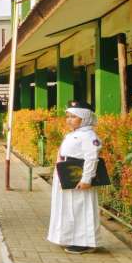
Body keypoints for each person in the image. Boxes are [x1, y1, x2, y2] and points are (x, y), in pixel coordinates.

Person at [47, 101, 102, 254]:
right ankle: (70, 238)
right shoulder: (74, 134)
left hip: (78, 176)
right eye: (68, 116)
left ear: (84, 118)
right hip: (66, 174)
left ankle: (85, 242)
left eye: (73, 117)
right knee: (67, 207)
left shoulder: (89, 136)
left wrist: (86, 179)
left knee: (81, 208)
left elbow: (92, 158)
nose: (69, 120)